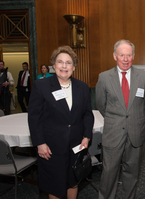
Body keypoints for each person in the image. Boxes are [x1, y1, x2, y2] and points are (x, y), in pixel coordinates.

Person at [28, 46, 94, 199]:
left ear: (74, 67)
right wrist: (40, 143)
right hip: (51, 147)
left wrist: (86, 136)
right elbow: (34, 117)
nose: (64, 66)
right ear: (53, 65)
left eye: (68, 63)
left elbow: (87, 114)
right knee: (55, 185)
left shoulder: (82, 87)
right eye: (60, 62)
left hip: (76, 145)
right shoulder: (41, 86)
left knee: (73, 181)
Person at [96, 39, 145, 199]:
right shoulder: (104, 77)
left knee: (132, 175)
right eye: (122, 55)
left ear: (133, 56)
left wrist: (134, 119)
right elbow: (101, 105)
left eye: (129, 55)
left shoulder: (144, 77)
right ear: (115, 56)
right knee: (108, 175)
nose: (125, 59)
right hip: (113, 134)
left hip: (136, 133)